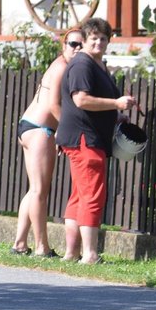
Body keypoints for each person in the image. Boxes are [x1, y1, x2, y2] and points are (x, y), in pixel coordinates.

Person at [55, 17, 138, 265]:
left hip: (88, 136)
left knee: (80, 195)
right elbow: (81, 100)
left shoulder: (97, 65)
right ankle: (89, 254)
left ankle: (71, 253)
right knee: (92, 194)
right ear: (85, 39)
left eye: (103, 38)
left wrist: (116, 115)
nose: (99, 42)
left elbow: (91, 104)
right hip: (85, 138)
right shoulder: (83, 64)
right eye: (94, 38)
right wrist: (115, 103)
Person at [10, 29, 84, 258]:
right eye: (73, 44)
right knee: (40, 190)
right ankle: (42, 246)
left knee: (34, 189)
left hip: (29, 125)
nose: (77, 48)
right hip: (40, 130)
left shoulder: (59, 64)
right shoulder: (62, 67)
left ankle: (20, 243)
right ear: (64, 45)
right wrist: (65, 132)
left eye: (81, 45)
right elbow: (53, 106)